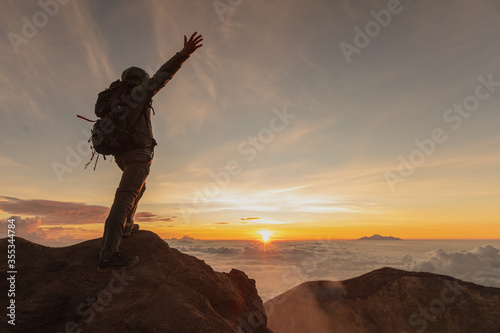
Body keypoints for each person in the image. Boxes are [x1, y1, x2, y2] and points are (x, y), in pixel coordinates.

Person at [97, 32, 203, 272]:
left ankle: (126, 226)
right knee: (124, 198)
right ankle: (108, 256)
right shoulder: (138, 94)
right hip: (137, 155)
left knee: (137, 189)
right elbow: (162, 76)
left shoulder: (114, 99)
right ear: (140, 79)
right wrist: (183, 54)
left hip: (121, 156)